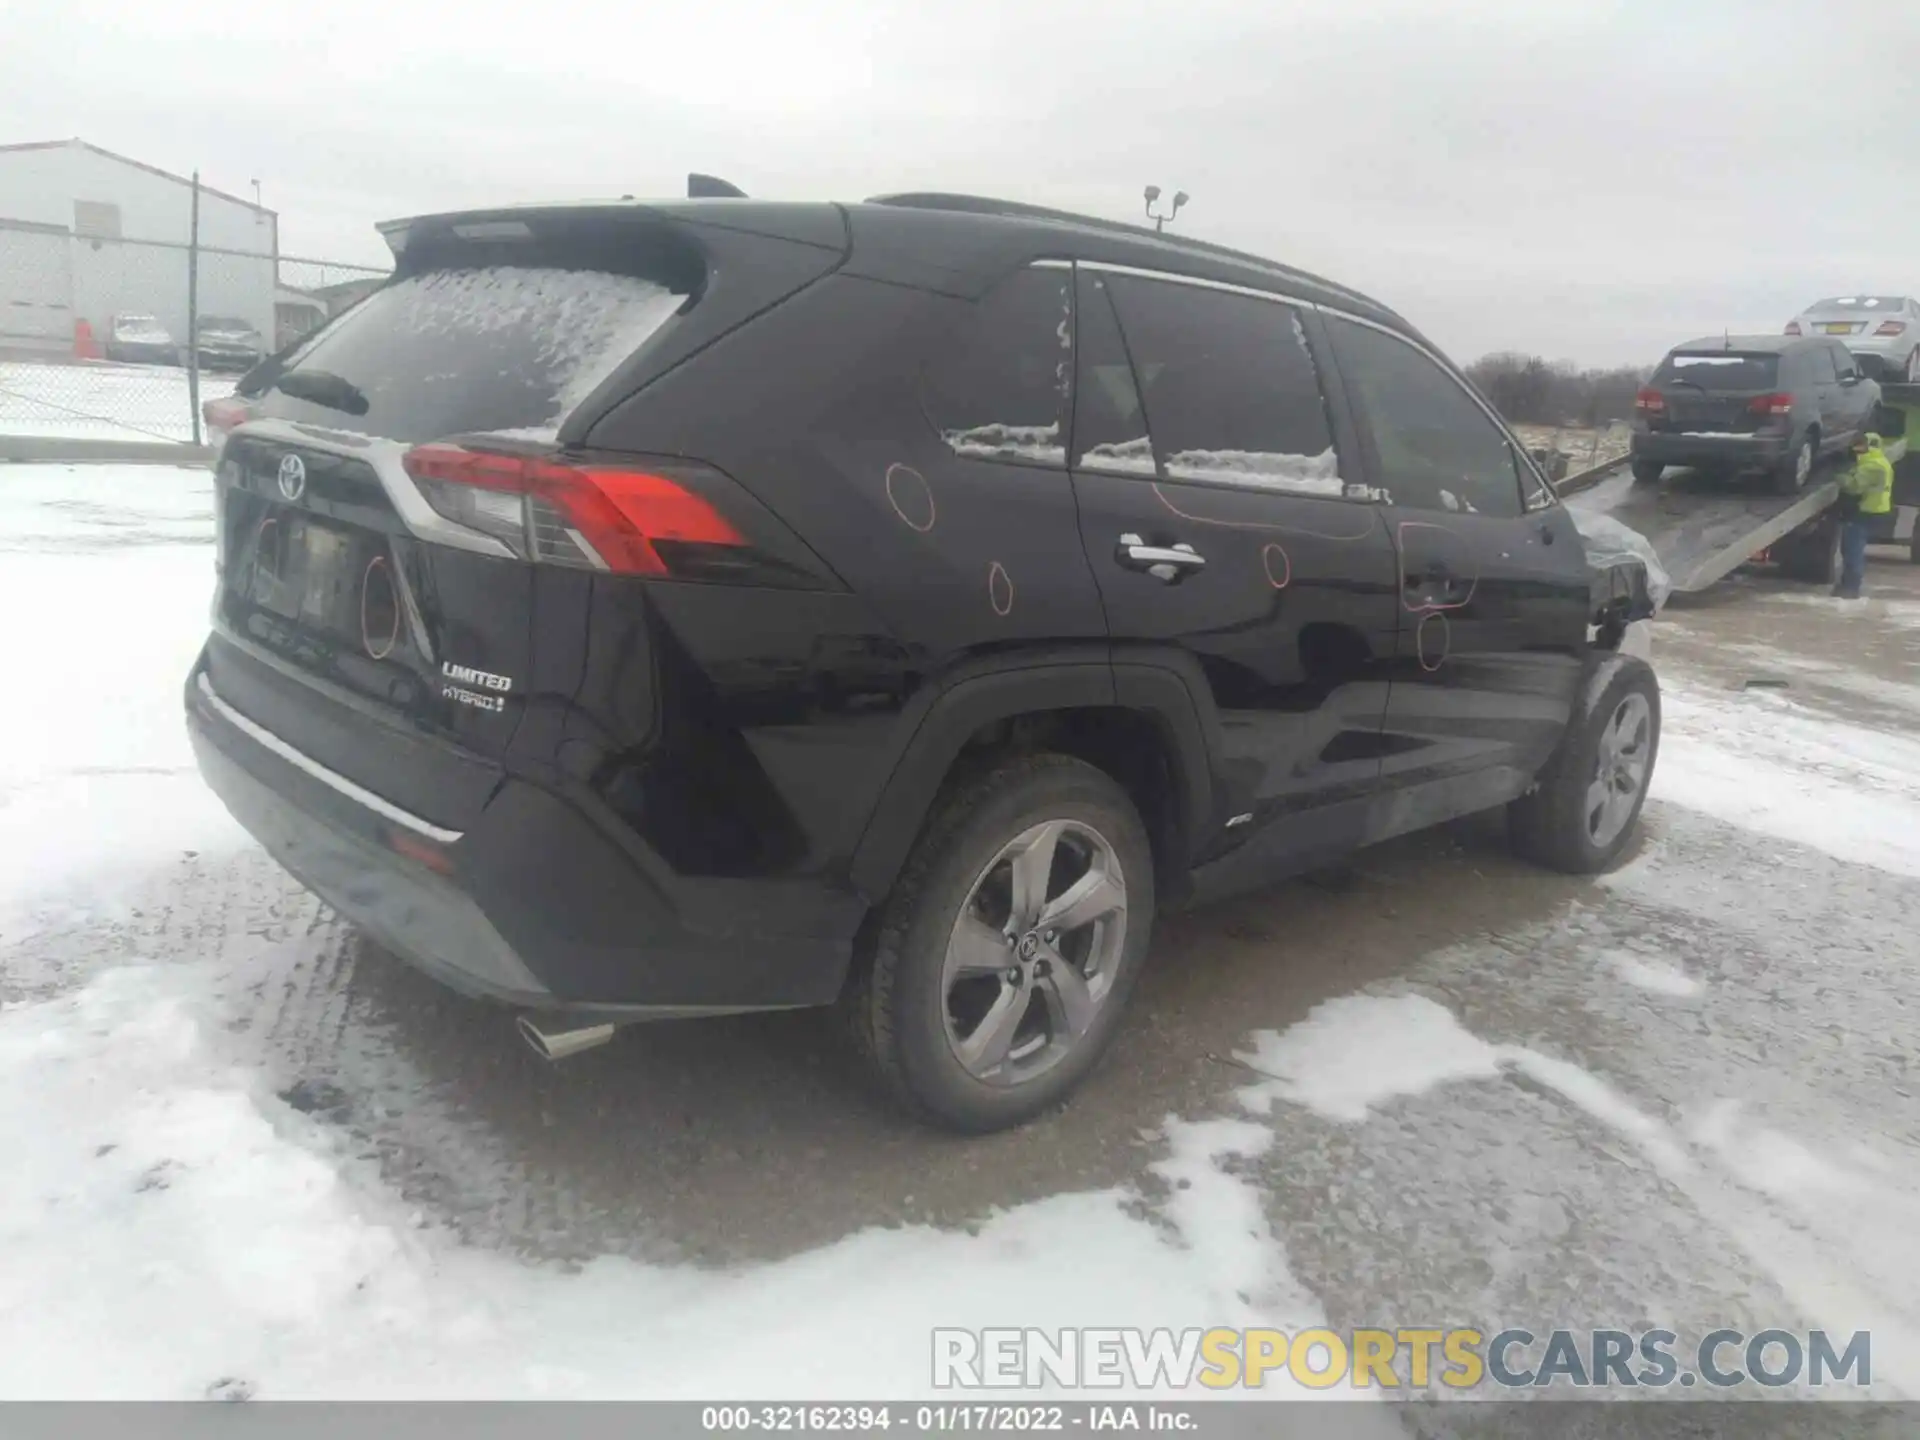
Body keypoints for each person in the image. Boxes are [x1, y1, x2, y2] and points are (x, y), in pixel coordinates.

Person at [1835, 431, 1894, 599]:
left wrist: (1838, 475)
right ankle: (1848, 585)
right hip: (1871, 510)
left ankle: (1851, 588)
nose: (1856, 448)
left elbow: (1854, 486)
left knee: (1853, 550)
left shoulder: (1873, 465)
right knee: (1851, 548)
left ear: (1870, 446)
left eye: (1860, 444)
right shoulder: (1875, 462)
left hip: (1865, 511)